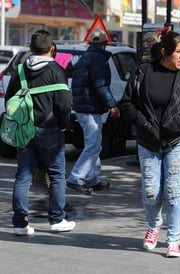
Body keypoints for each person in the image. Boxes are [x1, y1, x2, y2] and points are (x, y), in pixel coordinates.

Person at [118, 31, 180, 258]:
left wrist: (178, 122)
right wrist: (145, 125)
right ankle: (154, 225)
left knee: (172, 190)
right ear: (164, 52)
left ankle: (174, 240)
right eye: (179, 52)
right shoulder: (143, 72)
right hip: (148, 140)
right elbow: (127, 103)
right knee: (151, 192)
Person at [5, 30, 75, 235]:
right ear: (52, 49)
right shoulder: (56, 70)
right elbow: (64, 103)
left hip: (24, 131)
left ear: (30, 49)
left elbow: (10, 99)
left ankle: (19, 224)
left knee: (23, 176)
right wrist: (64, 124)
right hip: (50, 129)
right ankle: (57, 219)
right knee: (57, 175)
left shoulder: (19, 70)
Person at [67, 30, 120, 195]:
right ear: (104, 44)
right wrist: (112, 104)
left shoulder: (85, 57)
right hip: (90, 108)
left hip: (83, 107)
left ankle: (92, 179)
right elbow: (100, 85)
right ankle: (76, 178)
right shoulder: (98, 59)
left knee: (94, 144)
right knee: (93, 145)